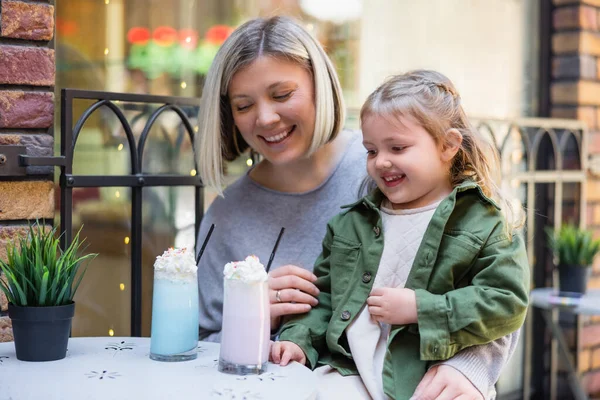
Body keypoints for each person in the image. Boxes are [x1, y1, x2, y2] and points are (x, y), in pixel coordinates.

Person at [196, 16, 519, 399]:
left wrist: (470, 368)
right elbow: (200, 346)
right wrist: (250, 315)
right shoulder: (226, 215)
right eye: (243, 104)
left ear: (321, 87)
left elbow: (499, 291)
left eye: (282, 94)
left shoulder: (396, 170)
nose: (265, 118)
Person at [269, 70, 530, 400]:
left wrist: (421, 309)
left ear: (448, 145)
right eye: (372, 150)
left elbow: (506, 302)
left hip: (428, 382)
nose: (382, 162)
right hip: (348, 374)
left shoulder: (486, 221)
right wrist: (298, 341)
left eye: (398, 147)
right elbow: (324, 298)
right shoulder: (350, 224)